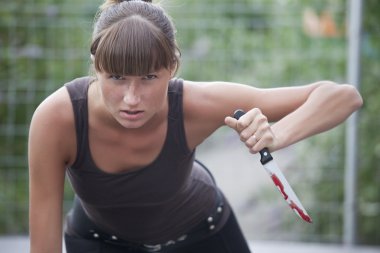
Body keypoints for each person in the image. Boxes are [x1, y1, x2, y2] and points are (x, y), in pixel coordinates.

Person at [28, 0, 363, 252]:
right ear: (95, 66)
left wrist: (277, 135)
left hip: (203, 235)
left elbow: (343, 96)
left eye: (148, 78)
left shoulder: (195, 103)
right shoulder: (57, 119)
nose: (132, 98)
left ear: (172, 66)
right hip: (101, 242)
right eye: (116, 77)